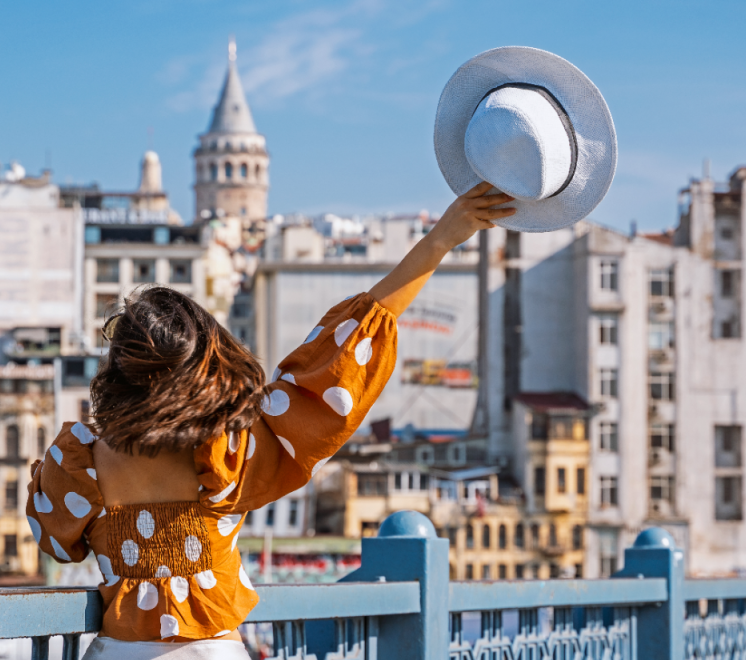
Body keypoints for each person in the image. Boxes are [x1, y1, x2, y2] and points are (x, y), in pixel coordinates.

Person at [27, 183, 514, 659]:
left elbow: (59, 544)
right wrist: (441, 239)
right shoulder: (228, 455)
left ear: (118, 371)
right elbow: (341, 359)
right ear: (205, 362)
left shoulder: (77, 462)